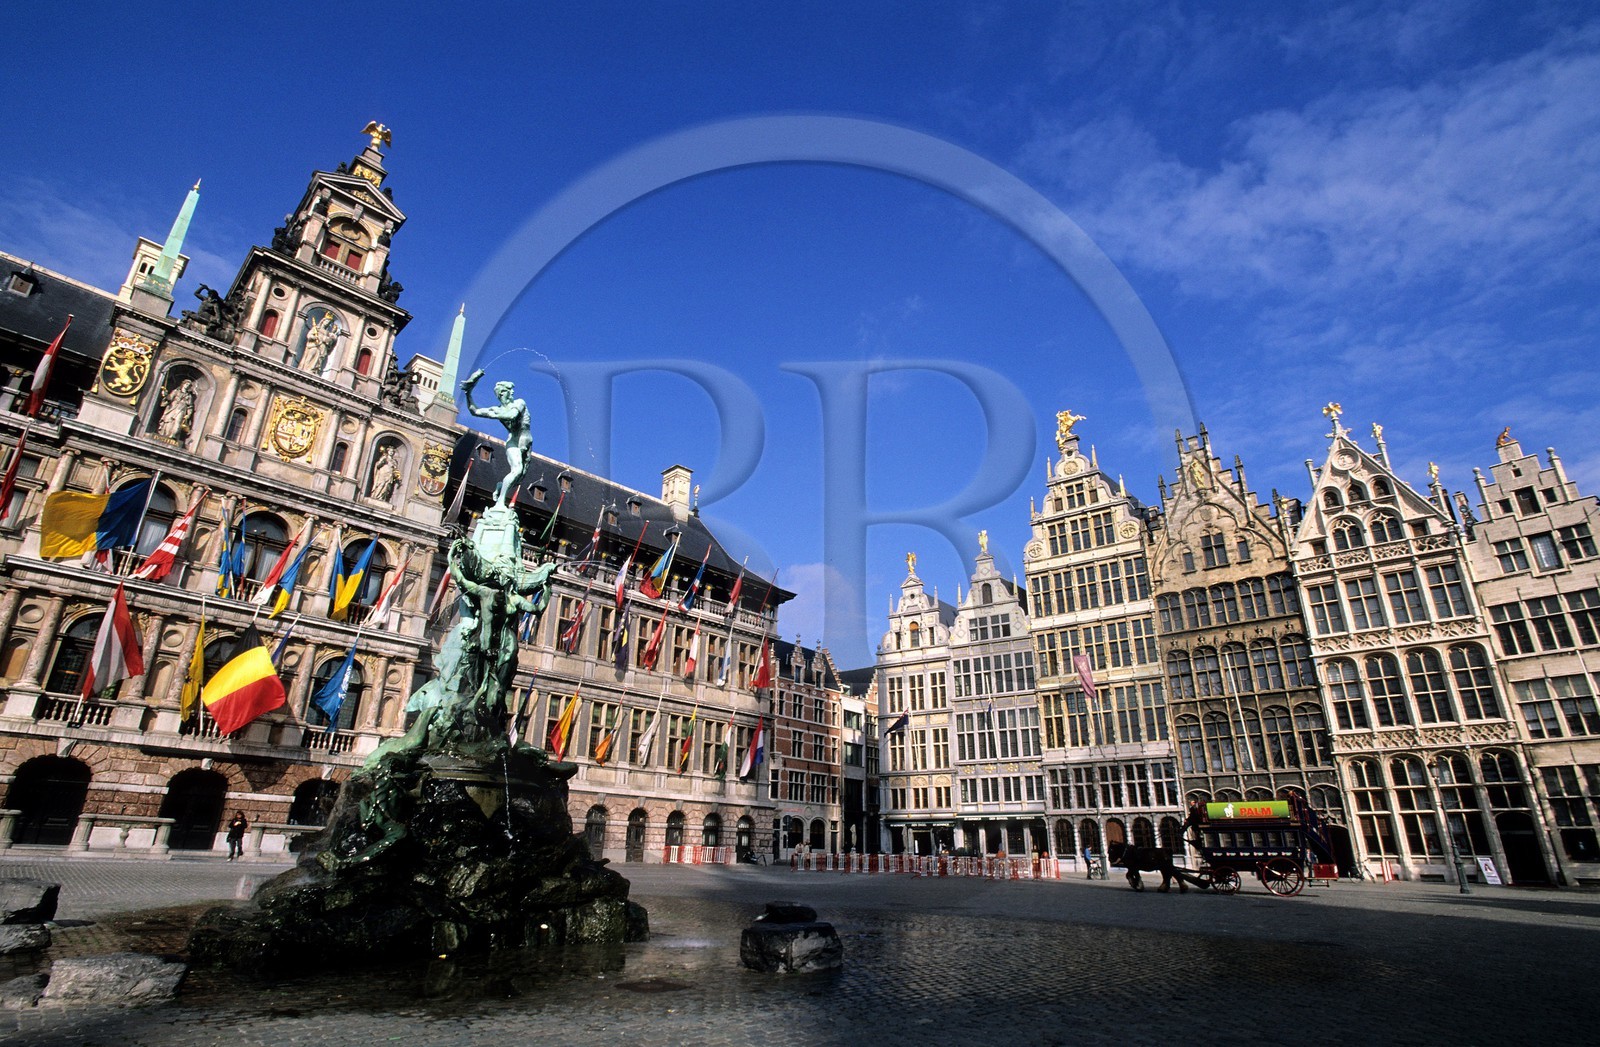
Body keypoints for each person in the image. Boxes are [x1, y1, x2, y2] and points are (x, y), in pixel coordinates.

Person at [462, 369, 532, 507]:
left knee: (519, 477)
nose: (512, 392)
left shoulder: (519, 402)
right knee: (517, 470)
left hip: (526, 441)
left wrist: (494, 415)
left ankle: (501, 486)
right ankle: (501, 501)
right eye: (509, 390)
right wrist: (468, 393)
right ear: (502, 393)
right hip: (513, 441)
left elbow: (512, 415)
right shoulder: (497, 410)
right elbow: (474, 411)